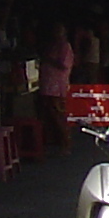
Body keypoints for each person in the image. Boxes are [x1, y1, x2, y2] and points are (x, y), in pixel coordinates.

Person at [38, 18, 76, 149]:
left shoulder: (65, 46)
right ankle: (54, 141)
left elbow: (63, 65)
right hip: (47, 86)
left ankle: (66, 144)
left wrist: (47, 60)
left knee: (59, 116)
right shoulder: (52, 45)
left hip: (57, 87)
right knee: (49, 116)